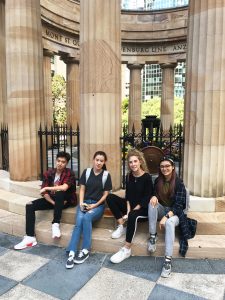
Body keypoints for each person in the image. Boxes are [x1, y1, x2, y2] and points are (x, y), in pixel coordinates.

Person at [14, 151, 77, 250]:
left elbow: (64, 187)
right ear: (56, 161)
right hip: (53, 201)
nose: (60, 163)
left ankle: (55, 224)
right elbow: (44, 193)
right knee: (29, 205)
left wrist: (47, 188)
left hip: (65, 200)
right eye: (58, 161)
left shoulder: (69, 173)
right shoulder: (49, 173)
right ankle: (30, 237)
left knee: (60, 192)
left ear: (66, 163)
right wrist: (53, 203)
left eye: (63, 162)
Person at [148, 157, 197, 278]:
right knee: (151, 204)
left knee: (169, 223)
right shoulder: (158, 180)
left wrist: (166, 216)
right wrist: (154, 196)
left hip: (176, 213)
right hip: (162, 209)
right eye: (162, 166)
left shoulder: (179, 183)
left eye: (167, 166)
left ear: (173, 167)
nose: (165, 168)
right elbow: (155, 193)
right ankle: (153, 236)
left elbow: (179, 206)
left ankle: (168, 260)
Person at [66, 151, 112, 269]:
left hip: (97, 206)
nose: (99, 163)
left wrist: (94, 206)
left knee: (87, 218)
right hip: (84, 203)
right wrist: (81, 203)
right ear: (93, 160)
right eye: (97, 160)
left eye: (101, 161)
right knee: (78, 223)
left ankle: (86, 250)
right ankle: (71, 253)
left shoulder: (106, 175)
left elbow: (105, 195)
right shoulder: (86, 172)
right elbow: (81, 190)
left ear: (104, 162)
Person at [107, 148, 153, 264]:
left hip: (142, 210)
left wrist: (132, 211)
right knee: (110, 197)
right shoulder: (129, 176)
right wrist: (127, 212)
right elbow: (128, 196)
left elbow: (147, 198)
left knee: (133, 215)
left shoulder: (147, 177)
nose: (133, 164)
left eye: (135, 161)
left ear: (140, 161)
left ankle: (126, 249)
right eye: (130, 162)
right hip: (131, 209)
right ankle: (121, 225)